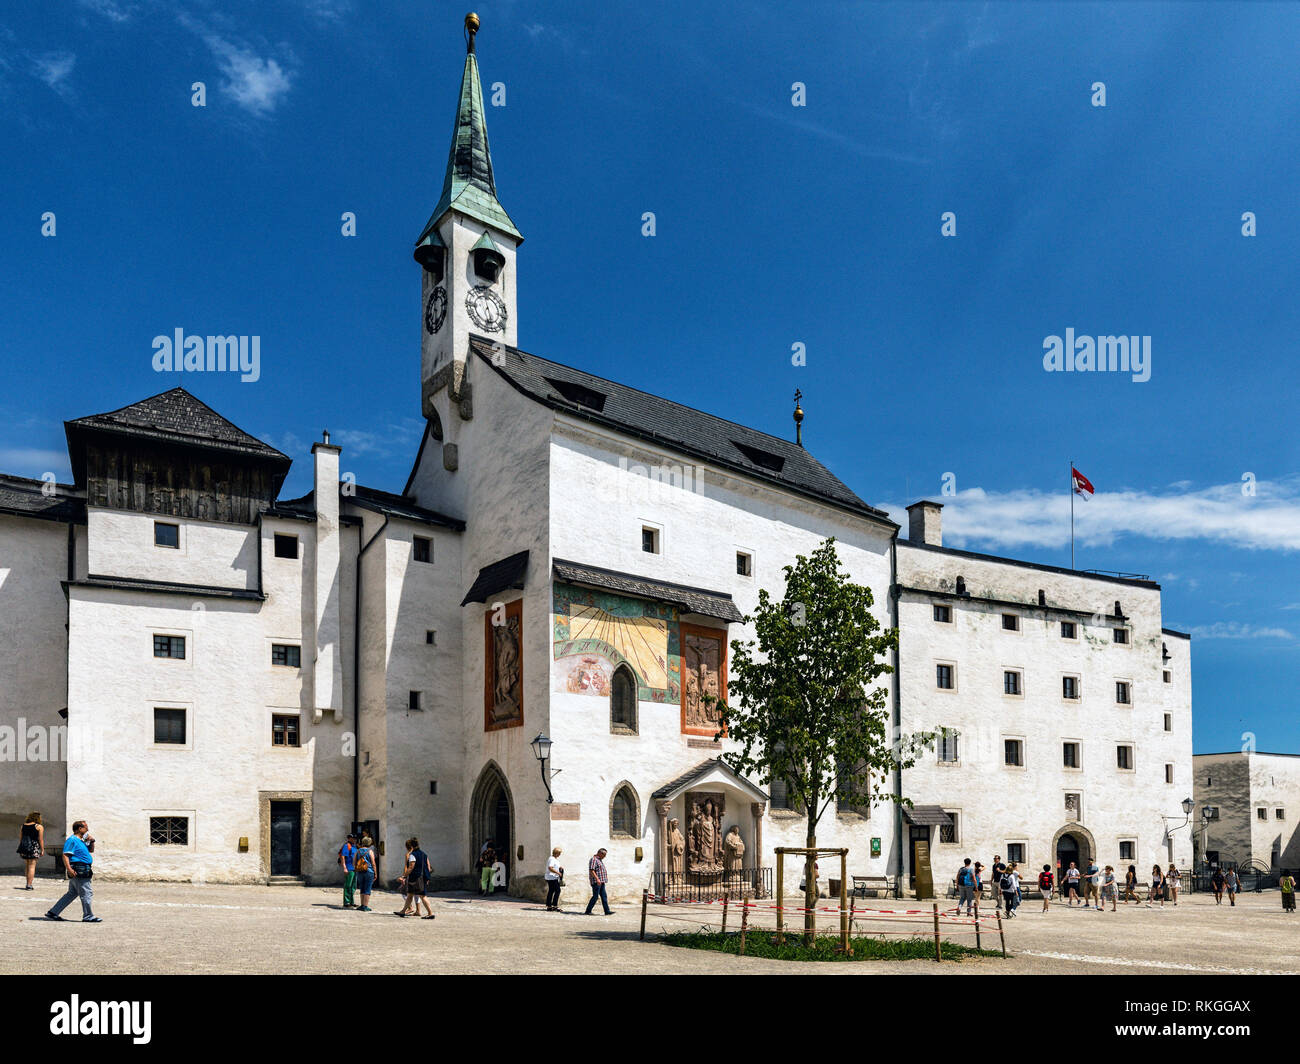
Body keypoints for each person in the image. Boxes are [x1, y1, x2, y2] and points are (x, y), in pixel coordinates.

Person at [44, 820, 101, 923]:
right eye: (85, 827)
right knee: (86, 893)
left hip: (83, 868)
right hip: (79, 869)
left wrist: (91, 841)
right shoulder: (72, 840)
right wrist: (69, 869)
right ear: (80, 829)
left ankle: (53, 912)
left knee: (72, 893)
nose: (87, 829)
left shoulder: (81, 840)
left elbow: (91, 850)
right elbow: (65, 855)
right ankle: (88, 916)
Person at [396, 837, 434, 919]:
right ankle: (403, 911)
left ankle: (430, 913)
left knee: (422, 896)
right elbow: (428, 867)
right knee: (410, 895)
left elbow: (411, 867)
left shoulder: (413, 855)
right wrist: (427, 877)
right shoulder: (424, 854)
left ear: (411, 847)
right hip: (422, 877)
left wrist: (404, 876)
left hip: (416, 878)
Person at [16, 812, 44, 890]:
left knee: (27, 866)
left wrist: (21, 848)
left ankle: (27, 883)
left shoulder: (23, 826)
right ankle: (29, 885)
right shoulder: (39, 827)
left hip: (24, 848)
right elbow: (40, 839)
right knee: (32, 866)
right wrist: (42, 849)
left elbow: (21, 839)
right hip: (34, 847)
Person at [584, 848, 612, 915]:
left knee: (604, 896)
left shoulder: (599, 860)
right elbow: (592, 870)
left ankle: (607, 911)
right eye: (604, 855)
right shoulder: (594, 859)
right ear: (600, 853)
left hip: (601, 881)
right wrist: (597, 879)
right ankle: (588, 911)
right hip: (597, 882)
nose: (605, 856)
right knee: (595, 897)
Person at [354, 835, 376, 912]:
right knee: (367, 888)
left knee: (362, 888)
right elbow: (373, 863)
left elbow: (354, 862)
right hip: (369, 871)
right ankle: (365, 906)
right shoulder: (370, 851)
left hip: (360, 872)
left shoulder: (358, 851)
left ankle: (362, 905)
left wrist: (356, 869)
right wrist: (375, 873)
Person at [339, 833, 357, 909]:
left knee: (353, 886)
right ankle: (346, 902)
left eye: (355, 838)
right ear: (349, 838)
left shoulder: (355, 846)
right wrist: (344, 868)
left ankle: (352, 902)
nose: (354, 839)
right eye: (352, 838)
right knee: (348, 885)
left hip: (355, 868)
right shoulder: (347, 846)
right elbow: (343, 857)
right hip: (349, 868)